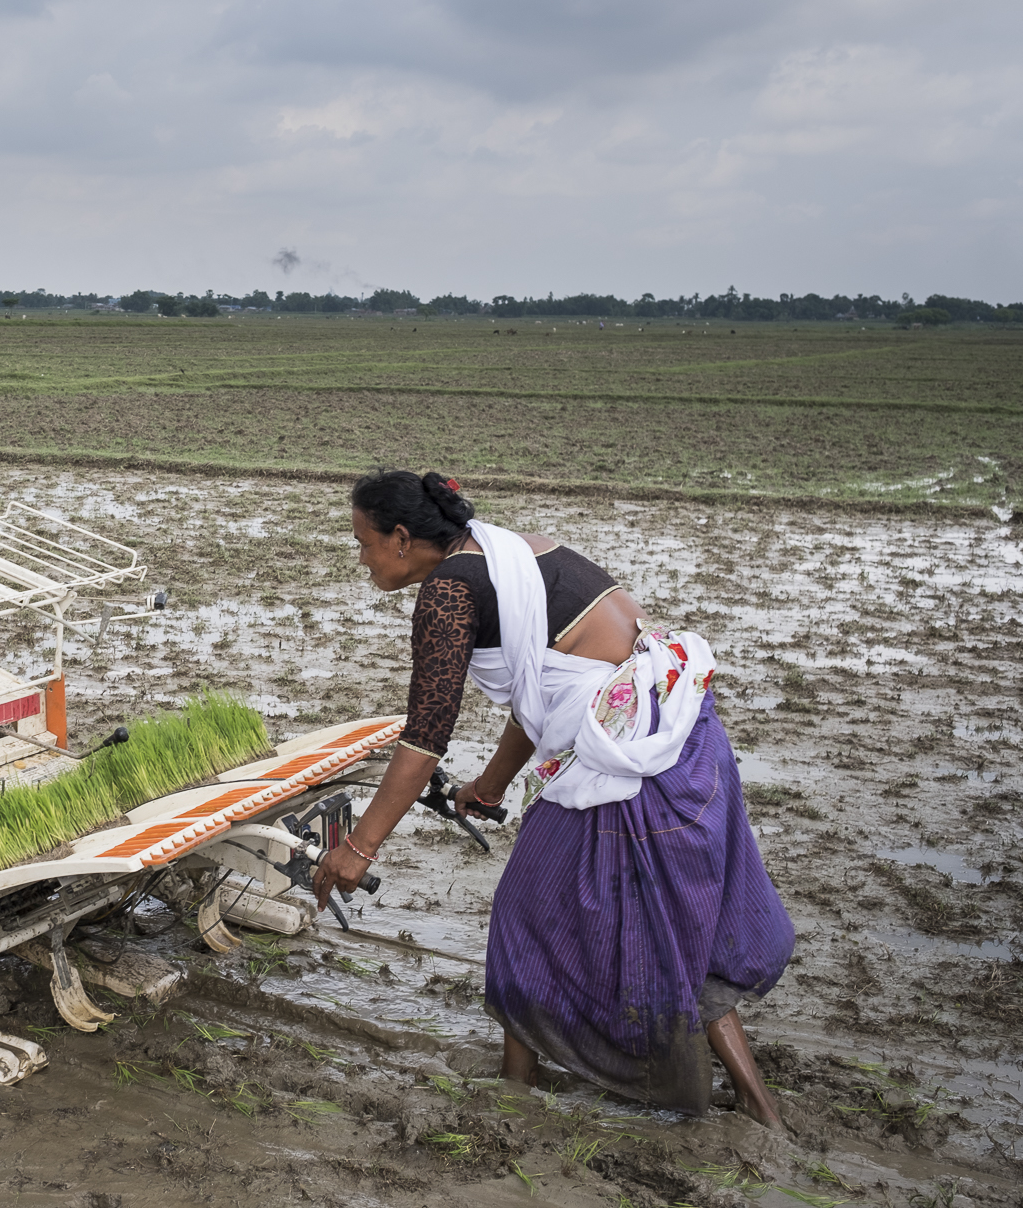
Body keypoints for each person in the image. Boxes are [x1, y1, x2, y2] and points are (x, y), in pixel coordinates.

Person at [312, 469, 793, 1125]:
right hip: (685, 743)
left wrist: (357, 848)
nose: (360, 557)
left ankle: (520, 1087)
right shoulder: (514, 551)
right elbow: (542, 695)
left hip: (629, 782)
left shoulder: (449, 593)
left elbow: (424, 739)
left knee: (524, 911)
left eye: (363, 542)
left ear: (401, 538)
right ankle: (759, 1106)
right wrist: (491, 784)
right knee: (678, 928)